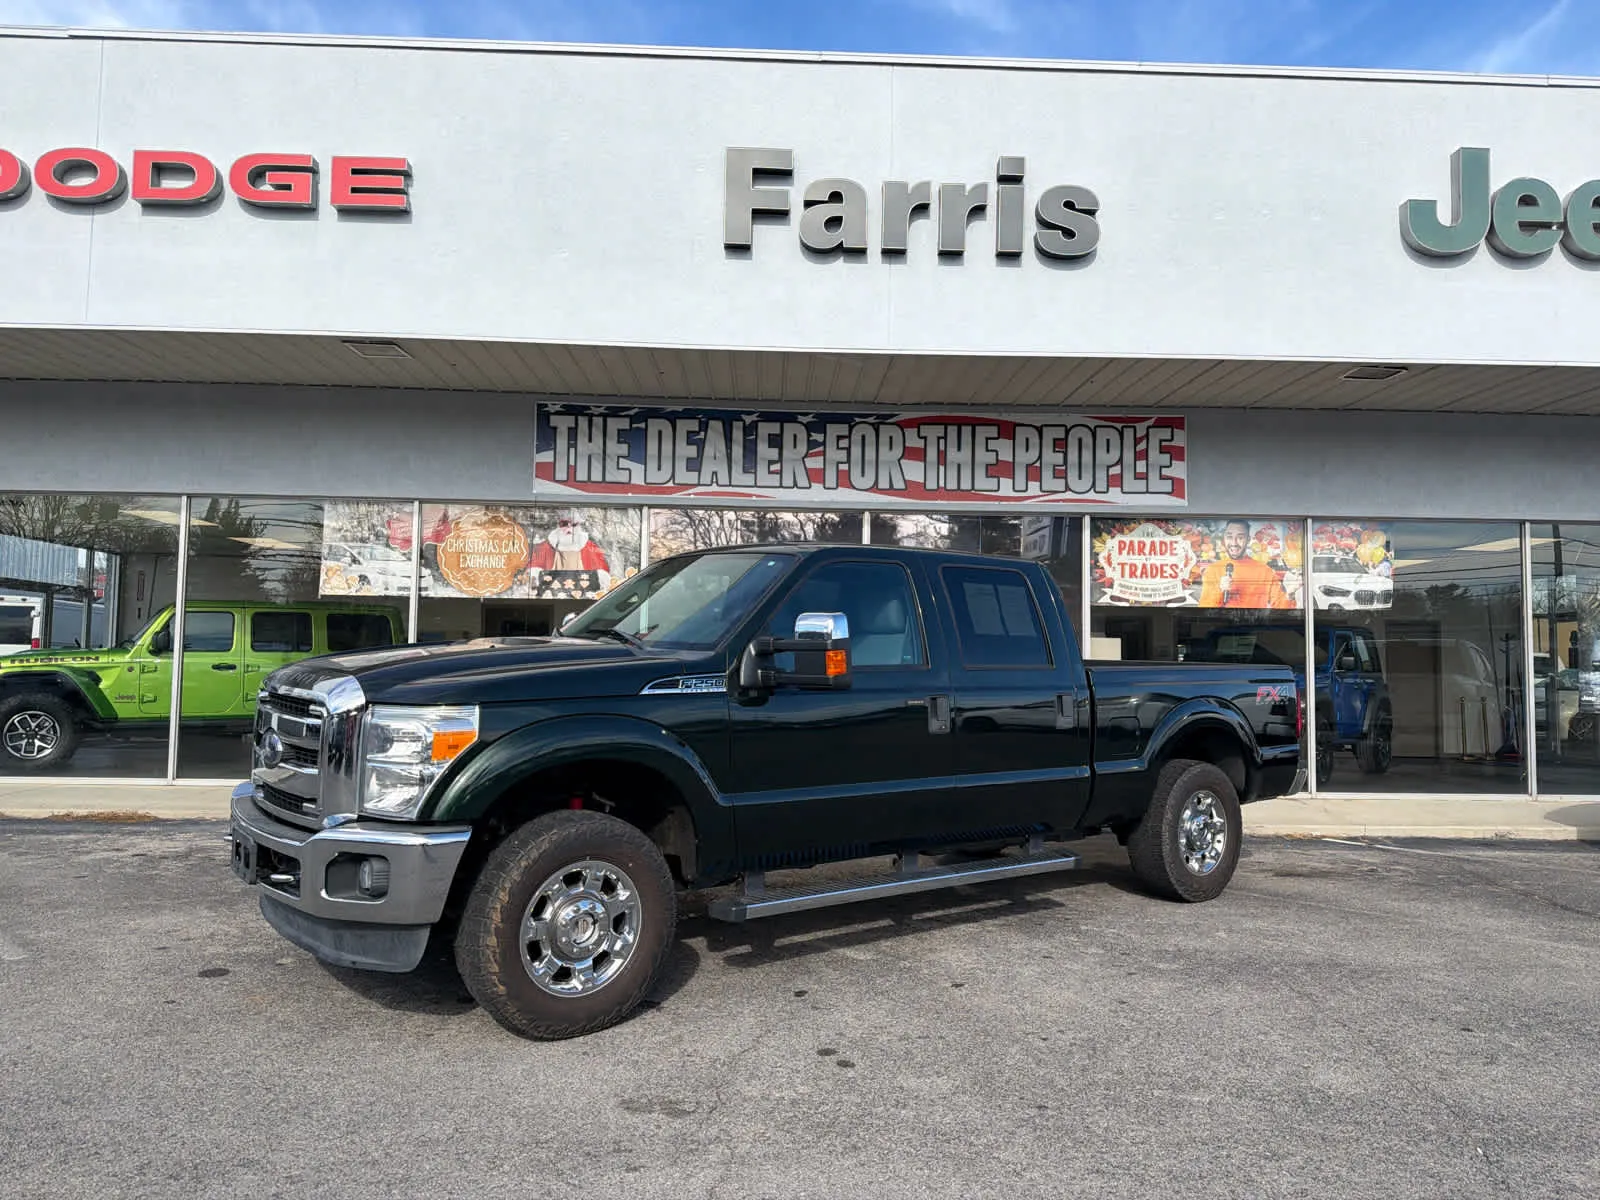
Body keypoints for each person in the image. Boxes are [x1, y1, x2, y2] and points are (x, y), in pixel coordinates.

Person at [1197, 519, 1297, 609]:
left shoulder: (1265, 571)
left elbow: (1282, 608)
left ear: (1248, 540)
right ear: (1224, 539)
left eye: (1240, 537)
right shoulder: (1213, 569)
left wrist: (1290, 595)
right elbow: (1204, 611)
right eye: (1229, 537)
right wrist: (1220, 590)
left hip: (1254, 628)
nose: (1234, 543)